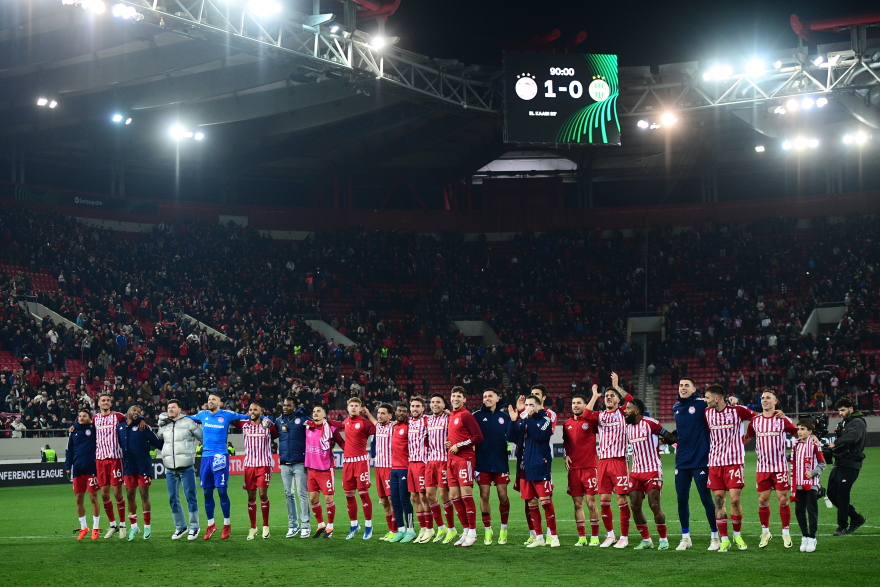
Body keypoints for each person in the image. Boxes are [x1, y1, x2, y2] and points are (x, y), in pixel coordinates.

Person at [665, 378, 719, 550]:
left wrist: (731, 400)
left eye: (686, 385)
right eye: (680, 385)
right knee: (681, 499)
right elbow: (681, 432)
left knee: (705, 498)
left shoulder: (702, 404)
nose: (683, 388)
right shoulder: (676, 407)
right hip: (682, 461)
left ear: (694, 388)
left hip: (701, 460)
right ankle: (685, 537)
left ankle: (715, 536)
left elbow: (719, 403)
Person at [187, 392, 250, 540]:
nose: (210, 401)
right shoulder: (202, 415)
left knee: (222, 491)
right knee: (207, 492)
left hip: (220, 456)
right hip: (205, 458)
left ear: (220, 403)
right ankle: (211, 525)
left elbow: (246, 417)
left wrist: (261, 417)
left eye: (214, 399)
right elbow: (186, 418)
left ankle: (227, 524)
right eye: (209, 399)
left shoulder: (227, 415)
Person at [703, 383, 757, 552]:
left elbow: (758, 419)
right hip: (715, 463)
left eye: (708, 398)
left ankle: (737, 535)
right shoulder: (707, 413)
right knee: (719, 502)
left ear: (717, 398)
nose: (706, 401)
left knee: (734, 500)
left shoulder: (738, 410)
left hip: (734, 461)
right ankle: (724, 539)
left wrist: (748, 435)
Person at [582, 373, 634, 548]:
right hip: (602, 462)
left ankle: (624, 537)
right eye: (607, 396)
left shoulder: (623, 413)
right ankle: (610, 535)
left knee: (621, 500)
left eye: (612, 396)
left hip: (619, 461)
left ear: (618, 401)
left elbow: (632, 400)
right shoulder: (600, 415)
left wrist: (617, 386)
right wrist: (594, 396)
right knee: (604, 500)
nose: (609, 398)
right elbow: (586, 415)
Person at [743, 389, 797, 549]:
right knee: (762, 500)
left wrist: (812, 437)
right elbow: (748, 437)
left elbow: (797, 433)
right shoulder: (756, 421)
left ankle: (785, 532)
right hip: (762, 468)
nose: (764, 400)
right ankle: (765, 532)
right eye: (762, 398)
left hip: (780, 466)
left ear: (775, 401)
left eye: (768, 398)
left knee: (782, 499)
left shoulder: (782, 419)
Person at [507, 394, 559, 548]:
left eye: (531, 405)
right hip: (525, 466)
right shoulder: (523, 421)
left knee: (545, 501)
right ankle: (539, 538)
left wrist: (527, 419)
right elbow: (511, 437)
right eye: (527, 404)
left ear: (538, 406)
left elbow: (537, 436)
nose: (529, 407)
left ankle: (554, 537)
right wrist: (512, 420)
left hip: (540, 465)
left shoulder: (545, 420)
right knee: (531, 502)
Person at [323, 397, 375, 539]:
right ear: (347, 408)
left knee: (363, 494)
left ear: (360, 408)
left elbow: (378, 429)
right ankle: (354, 525)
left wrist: (369, 414)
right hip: (348, 462)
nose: (353, 408)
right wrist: (323, 419)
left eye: (356, 406)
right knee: (348, 495)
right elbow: (336, 423)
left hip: (361, 462)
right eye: (351, 405)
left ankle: (369, 526)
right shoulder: (346, 422)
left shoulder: (365, 423)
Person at [623, 397, 670, 550]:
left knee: (654, 505)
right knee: (635, 506)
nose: (625, 410)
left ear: (636, 411)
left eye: (628, 408)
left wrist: (664, 441)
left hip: (653, 469)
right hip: (636, 471)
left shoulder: (651, 423)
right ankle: (646, 540)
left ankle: (663, 539)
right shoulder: (627, 426)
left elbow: (671, 437)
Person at [157, 399, 202, 540]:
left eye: (173, 407)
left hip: (186, 466)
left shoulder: (188, 422)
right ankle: (180, 527)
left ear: (179, 409)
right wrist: (160, 422)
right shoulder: (165, 425)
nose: (170, 409)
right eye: (168, 407)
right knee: (172, 499)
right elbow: (159, 438)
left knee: (190, 497)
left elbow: (202, 436)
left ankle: (194, 527)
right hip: (170, 468)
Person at [117, 405, 163, 541]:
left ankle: (147, 526)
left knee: (144, 494)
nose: (136, 412)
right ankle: (134, 526)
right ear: (128, 412)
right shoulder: (120, 427)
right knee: (130, 496)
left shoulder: (144, 427)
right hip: (128, 467)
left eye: (139, 411)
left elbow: (158, 444)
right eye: (134, 410)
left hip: (143, 467)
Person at [445, 386, 484, 547]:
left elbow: (478, 437)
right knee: (454, 496)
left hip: (465, 459)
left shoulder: (466, 415)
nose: (455, 398)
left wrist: (459, 445)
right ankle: (466, 530)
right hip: (451, 459)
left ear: (464, 399)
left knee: (466, 495)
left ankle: (473, 532)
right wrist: (449, 443)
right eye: (453, 395)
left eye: (459, 396)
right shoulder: (451, 415)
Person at [562, 389, 602, 546]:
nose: (575, 405)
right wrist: (566, 455)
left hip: (590, 467)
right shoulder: (566, 424)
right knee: (577, 503)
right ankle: (582, 537)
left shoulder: (591, 422)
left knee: (591, 503)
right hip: (573, 470)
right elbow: (566, 444)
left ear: (585, 405)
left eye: (578, 403)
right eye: (573, 403)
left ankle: (595, 536)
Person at [232, 403, 277, 540]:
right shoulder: (244, 425)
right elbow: (230, 419)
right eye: (250, 409)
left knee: (262, 495)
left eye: (255, 409)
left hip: (264, 464)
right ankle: (253, 527)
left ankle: (265, 526)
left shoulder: (267, 425)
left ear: (261, 411)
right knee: (251, 496)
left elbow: (276, 434)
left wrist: (270, 423)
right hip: (249, 465)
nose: (252, 411)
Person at [473, 388, 512, 545]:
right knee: (484, 495)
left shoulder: (505, 417)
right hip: (482, 462)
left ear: (497, 399)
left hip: (500, 462)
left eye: (490, 396)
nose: (487, 398)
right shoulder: (476, 416)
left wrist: (515, 421)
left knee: (503, 495)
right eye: (484, 396)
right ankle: (488, 530)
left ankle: (504, 528)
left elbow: (512, 435)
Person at [826, 397, 867, 535]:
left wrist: (835, 444)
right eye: (839, 410)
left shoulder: (857, 422)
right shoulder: (845, 421)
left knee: (842, 495)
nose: (841, 413)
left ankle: (842, 526)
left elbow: (852, 437)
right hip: (840, 462)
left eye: (843, 410)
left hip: (851, 463)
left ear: (851, 408)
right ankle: (856, 517)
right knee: (831, 494)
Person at [92, 393, 130, 538]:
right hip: (100, 460)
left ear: (111, 403)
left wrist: (141, 421)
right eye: (103, 400)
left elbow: (132, 418)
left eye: (108, 400)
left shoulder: (118, 416)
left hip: (115, 459)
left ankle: (122, 525)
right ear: (99, 403)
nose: (106, 402)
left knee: (117, 493)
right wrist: (73, 428)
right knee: (104, 494)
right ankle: (112, 524)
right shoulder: (95, 419)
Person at [275, 395, 311, 538]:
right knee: (288, 494)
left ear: (295, 407)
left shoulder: (303, 420)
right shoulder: (279, 421)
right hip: (285, 463)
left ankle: (305, 525)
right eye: (284, 405)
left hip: (300, 462)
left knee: (301, 493)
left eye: (289, 405)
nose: (285, 407)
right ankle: (292, 525)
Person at [305, 405, 343, 538]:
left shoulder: (331, 429)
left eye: (318, 411)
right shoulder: (308, 426)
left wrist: (352, 453)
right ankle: (321, 524)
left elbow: (341, 442)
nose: (315, 413)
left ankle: (330, 527)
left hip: (326, 468)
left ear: (324, 415)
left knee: (328, 498)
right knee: (313, 498)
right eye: (314, 411)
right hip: (311, 468)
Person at [362, 403, 398, 541]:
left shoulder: (393, 427)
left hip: (390, 468)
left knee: (392, 500)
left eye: (383, 413)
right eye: (379, 413)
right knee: (384, 501)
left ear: (390, 415)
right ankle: (390, 530)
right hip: (378, 468)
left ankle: (397, 530)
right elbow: (374, 421)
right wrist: (367, 413)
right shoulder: (378, 426)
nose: (380, 415)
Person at [425, 393, 456, 544]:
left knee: (444, 495)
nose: (435, 404)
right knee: (430, 495)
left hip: (444, 461)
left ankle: (451, 528)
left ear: (444, 405)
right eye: (433, 402)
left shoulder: (449, 418)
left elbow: (459, 429)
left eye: (438, 402)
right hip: (430, 462)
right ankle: (441, 527)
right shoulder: (428, 420)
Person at [791, 418, 826, 552]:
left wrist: (813, 472)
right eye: (798, 429)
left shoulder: (815, 445)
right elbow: (793, 460)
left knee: (812, 510)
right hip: (798, 484)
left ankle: (812, 537)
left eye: (802, 429)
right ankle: (804, 536)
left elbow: (822, 463)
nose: (799, 431)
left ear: (810, 431)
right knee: (799, 511)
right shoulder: (795, 445)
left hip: (811, 484)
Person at [65, 409, 101, 540]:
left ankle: (96, 528)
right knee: (78, 499)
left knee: (93, 497)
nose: (81, 417)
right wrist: (67, 466)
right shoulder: (73, 432)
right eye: (79, 416)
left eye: (84, 416)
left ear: (90, 418)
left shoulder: (94, 430)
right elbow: (69, 451)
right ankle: (84, 527)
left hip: (91, 469)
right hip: (77, 469)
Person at [388, 403, 417, 543]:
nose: (401, 413)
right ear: (395, 412)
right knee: (395, 500)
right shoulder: (393, 426)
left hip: (405, 468)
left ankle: (411, 531)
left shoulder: (410, 426)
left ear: (407, 413)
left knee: (404, 499)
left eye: (404, 411)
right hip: (394, 469)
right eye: (399, 410)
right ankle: (401, 530)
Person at [406, 396, 431, 542]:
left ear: (423, 408)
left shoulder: (428, 420)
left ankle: (430, 528)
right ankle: (422, 528)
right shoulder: (408, 423)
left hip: (423, 463)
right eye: (413, 406)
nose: (415, 409)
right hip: (410, 463)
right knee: (414, 497)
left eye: (418, 406)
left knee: (423, 496)